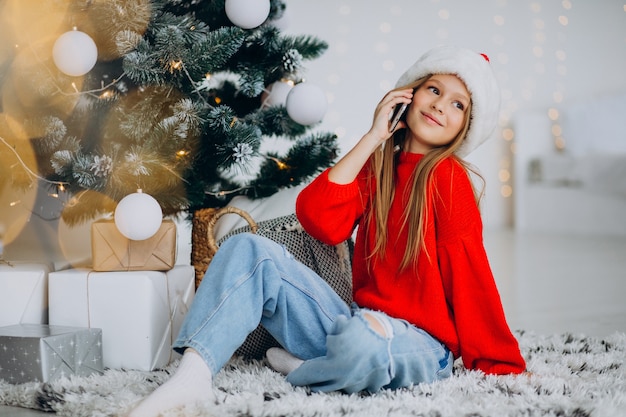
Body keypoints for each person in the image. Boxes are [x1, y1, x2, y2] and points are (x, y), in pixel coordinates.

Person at [128, 45, 526, 416]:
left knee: (365, 344)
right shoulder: (376, 170)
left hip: (420, 346)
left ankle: (310, 369)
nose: (440, 105)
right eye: (434, 89)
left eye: (458, 104)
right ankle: (193, 377)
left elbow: (470, 273)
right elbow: (319, 221)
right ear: (407, 95)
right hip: (353, 321)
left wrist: (499, 364)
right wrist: (373, 138)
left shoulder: (449, 178)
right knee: (247, 248)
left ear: (465, 127)